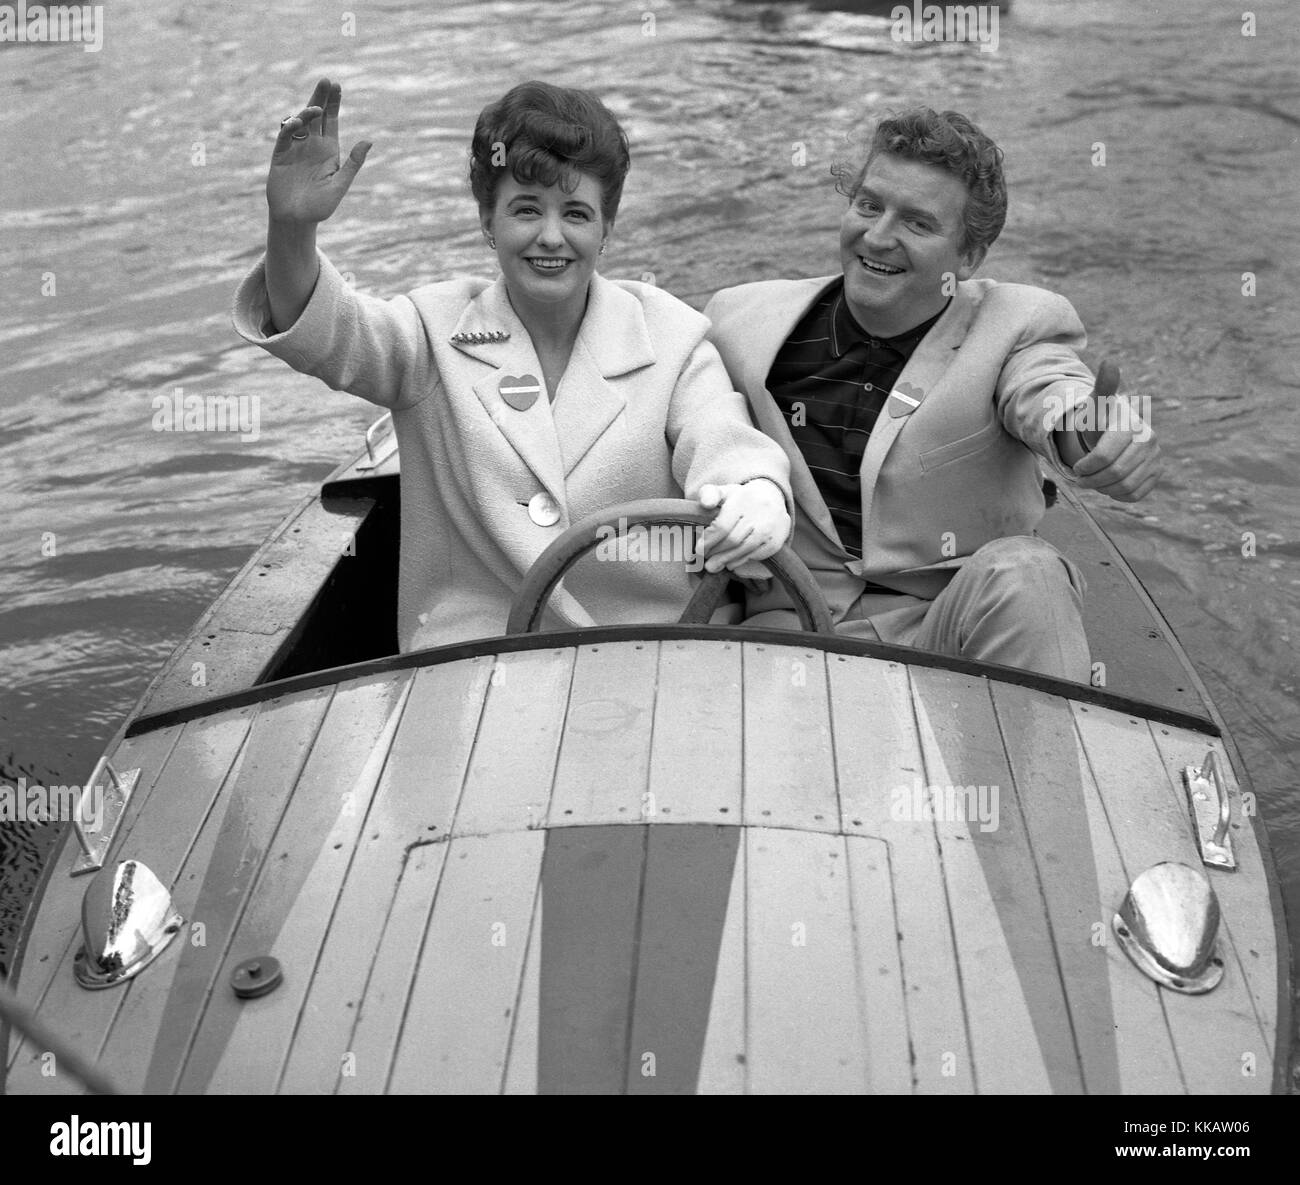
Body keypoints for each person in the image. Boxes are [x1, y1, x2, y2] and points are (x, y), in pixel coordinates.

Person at [233, 78, 792, 651]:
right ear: (488, 222)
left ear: (607, 230)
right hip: (470, 670)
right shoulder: (431, 331)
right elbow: (325, 330)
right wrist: (293, 226)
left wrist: (756, 493)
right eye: (526, 210)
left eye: (576, 213)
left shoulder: (673, 337)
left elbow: (724, 441)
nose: (551, 237)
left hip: (650, 656)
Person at [704, 107, 1163, 683]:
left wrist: (1092, 434)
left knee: (1027, 570)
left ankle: (1039, 764)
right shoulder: (737, 321)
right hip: (778, 637)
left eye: (918, 224)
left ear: (968, 257)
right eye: (868, 205)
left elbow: (1049, 392)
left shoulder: (1016, 327)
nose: (877, 236)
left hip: (944, 633)